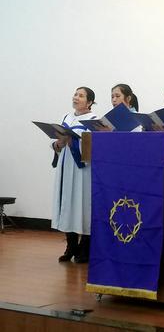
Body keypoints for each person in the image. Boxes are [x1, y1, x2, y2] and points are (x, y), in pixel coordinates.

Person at [51, 87, 97, 263]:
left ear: (90, 102)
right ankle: (70, 246)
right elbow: (58, 145)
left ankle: (84, 249)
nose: (76, 97)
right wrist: (58, 144)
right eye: (75, 94)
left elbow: (92, 147)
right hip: (65, 166)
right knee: (67, 205)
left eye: (81, 95)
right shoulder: (66, 118)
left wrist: (73, 142)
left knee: (83, 206)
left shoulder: (93, 120)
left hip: (82, 170)